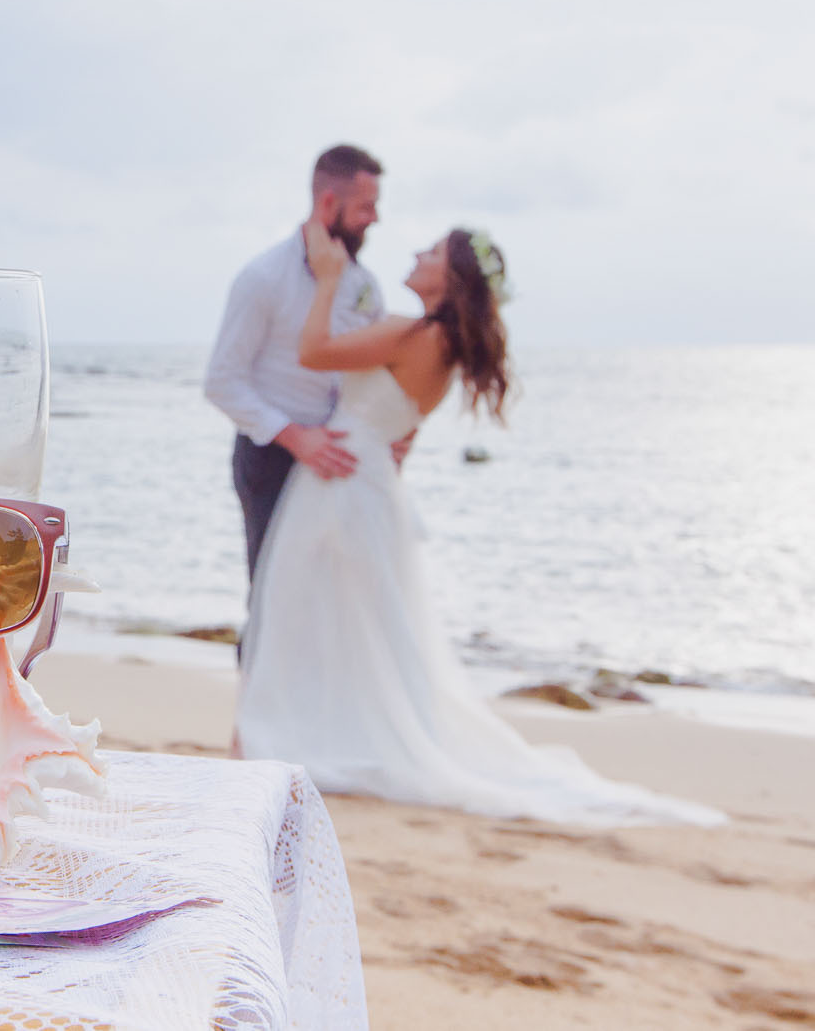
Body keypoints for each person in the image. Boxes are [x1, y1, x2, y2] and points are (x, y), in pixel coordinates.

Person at [234, 218, 724, 826]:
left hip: (342, 481)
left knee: (315, 613)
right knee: (359, 623)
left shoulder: (411, 332)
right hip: (367, 481)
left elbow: (311, 354)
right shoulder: (440, 344)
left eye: (433, 250)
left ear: (453, 278)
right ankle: (336, 729)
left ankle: (319, 736)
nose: (416, 251)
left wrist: (330, 279)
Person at [204, 145, 403, 657]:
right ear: (329, 202)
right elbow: (222, 382)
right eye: (366, 206)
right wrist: (297, 437)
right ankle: (252, 724)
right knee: (273, 599)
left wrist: (390, 436)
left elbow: (372, 373)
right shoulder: (263, 278)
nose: (375, 218)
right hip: (272, 458)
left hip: (340, 461)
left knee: (335, 602)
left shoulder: (364, 285)